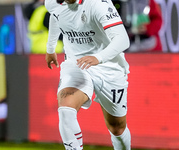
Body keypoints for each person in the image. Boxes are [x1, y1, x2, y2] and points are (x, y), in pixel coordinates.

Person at [45, 0, 131, 149]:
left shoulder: (98, 4)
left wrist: (98, 57)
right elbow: (55, 15)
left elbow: (123, 40)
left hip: (108, 67)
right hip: (76, 64)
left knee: (117, 127)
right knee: (66, 109)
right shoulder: (52, 2)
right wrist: (50, 48)